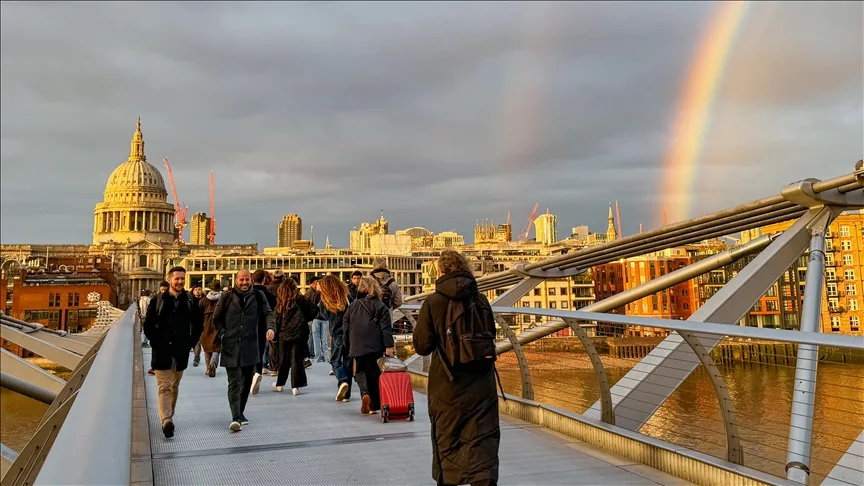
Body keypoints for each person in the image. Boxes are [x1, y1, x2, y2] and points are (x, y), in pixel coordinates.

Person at [413, 249, 500, 486]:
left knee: (448, 439)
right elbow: (490, 334)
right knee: (482, 438)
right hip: (482, 383)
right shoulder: (481, 300)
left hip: (448, 385)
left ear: (440, 271)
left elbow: (421, 345)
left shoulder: (433, 302)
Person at [142, 266, 203, 439]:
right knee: (164, 387)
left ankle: (169, 415)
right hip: (162, 351)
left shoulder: (191, 301)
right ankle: (166, 420)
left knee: (174, 386)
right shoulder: (158, 300)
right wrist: (155, 342)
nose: (180, 281)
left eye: (182, 279)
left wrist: (191, 342)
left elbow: (198, 325)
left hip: (181, 351)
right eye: (177, 278)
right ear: (169, 280)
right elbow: (148, 325)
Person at [213, 269, 274, 432]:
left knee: (246, 381)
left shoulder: (258, 297)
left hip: (250, 345)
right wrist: (224, 333)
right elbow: (216, 319)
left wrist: (270, 328)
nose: (244, 283)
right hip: (231, 345)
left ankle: (240, 412)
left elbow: (269, 313)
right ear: (236, 281)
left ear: (251, 280)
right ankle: (235, 417)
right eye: (241, 280)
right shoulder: (226, 297)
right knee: (234, 381)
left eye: (247, 279)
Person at [343, 276, 394, 415]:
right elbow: (386, 328)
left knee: (360, 372)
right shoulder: (380, 305)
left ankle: (364, 393)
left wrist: (347, 344)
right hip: (374, 344)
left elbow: (346, 326)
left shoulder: (353, 305)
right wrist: (389, 346)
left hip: (357, 344)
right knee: (374, 373)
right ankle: (373, 405)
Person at [266, 278, 317, 395]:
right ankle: (295, 386)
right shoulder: (301, 299)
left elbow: (277, 319)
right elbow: (315, 309)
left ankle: (280, 384)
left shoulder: (281, 301)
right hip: (299, 334)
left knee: (283, 359)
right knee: (296, 360)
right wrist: (305, 319)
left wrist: (275, 333)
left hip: (284, 334)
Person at [316, 275, 352, 402]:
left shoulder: (325, 301)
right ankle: (346, 395)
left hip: (337, 334)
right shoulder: (347, 298)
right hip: (350, 334)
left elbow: (323, 316)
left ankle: (342, 380)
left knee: (335, 360)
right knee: (348, 362)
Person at [251, 270, 277, 384]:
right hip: (265, 325)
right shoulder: (270, 295)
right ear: (264, 280)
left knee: (250, 350)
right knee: (261, 350)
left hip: (250, 325)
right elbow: (272, 312)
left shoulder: (249, 293)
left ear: (252, 279)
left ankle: (252, 374)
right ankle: (259, 371)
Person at [199, 279, 223, 377]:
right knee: (216, 348)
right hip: (218, 326)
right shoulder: (222, 299)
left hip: (205, 326)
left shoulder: (203, 300)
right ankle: (214, 363)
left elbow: (198, 315)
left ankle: (208, 368)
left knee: (206, 349)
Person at [305, 277, 330, 362]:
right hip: (325, 319)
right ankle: (326, 357)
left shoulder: (315, 295)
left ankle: (317, 357)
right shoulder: (327, 294)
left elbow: (311, 305)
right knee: (324, 338)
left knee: (316, 338)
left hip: (316, 319)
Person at [190, 283, 204, 367]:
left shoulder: (205, 300)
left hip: (202, 323)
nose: (198, 291)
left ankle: (196, 357)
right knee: (193, 342)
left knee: (199, 342)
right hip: (192, 324)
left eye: (199, 289)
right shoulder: (190, 300)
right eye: (196, 290)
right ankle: (196, 354)